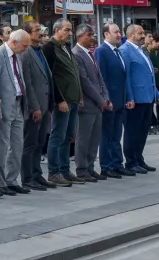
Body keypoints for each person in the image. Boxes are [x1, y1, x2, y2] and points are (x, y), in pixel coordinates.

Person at [0, 30, 32, 195]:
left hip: (18, 104)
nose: (26, 49)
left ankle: (11, 180)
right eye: (25, 46)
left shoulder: (17, 55)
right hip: (4, 106)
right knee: (1, 145)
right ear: (13, 42)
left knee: (17, 144)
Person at [42, 20, 81, 185]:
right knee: (57, 136)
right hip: (62, 101)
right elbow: (50, 77)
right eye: (66, 30)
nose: (70, 33)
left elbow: (72, 73)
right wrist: (59, 99)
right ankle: (54, 172)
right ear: (56, 30)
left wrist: (79, 96)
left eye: (71, 30)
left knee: (68, 137)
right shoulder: (50, 48)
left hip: (73, 99)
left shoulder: (65, 47)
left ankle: (65, 170)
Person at [120, 25, 159, 174]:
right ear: (131, 35)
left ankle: (138, 158)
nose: (143, 36)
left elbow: (149, 74)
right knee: (132, 131)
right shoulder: (126, 51)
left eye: (143, 33)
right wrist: (130, 97)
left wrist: (157, 94)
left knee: (143, 130)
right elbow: (126, 77)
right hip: (136, 99)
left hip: (147, 97)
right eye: (140, 33)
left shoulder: (142, 51)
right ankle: (130, 161)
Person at [72, 25, 109, 182]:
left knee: (95, 138)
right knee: (84, 138)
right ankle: (81, 169)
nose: (93, 38)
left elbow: (99, 78)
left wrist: (105, 96)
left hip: (98, 104)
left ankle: (90, 167)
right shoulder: (76, 54)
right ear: (80, 36)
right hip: (86, 104)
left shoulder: (91, 54)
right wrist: (100, 100)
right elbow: (84, 81)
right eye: (89, 35)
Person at [19, 24, 52, 191]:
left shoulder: (40, 51)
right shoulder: (26, 53)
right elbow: (28, 83)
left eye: (41, 30)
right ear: (28, 34)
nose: (41, 33)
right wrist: (34, 107)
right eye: (37, 30)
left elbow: (47, 78)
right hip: (36, 107)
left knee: (40, 142)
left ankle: (37, 173)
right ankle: (27, 177)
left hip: (46, 105)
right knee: (30, 143)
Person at [95, 24, 130, 177]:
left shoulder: (118, 51)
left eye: (119, 32)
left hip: (120, 100)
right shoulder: (101, 51)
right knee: (107, 135)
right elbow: (100, 77)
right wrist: (105, 99)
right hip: (109, 101)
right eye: (115, 32)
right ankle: (106, 166)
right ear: (106, 34)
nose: (119, 34)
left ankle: (117, 163)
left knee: (116, 135)